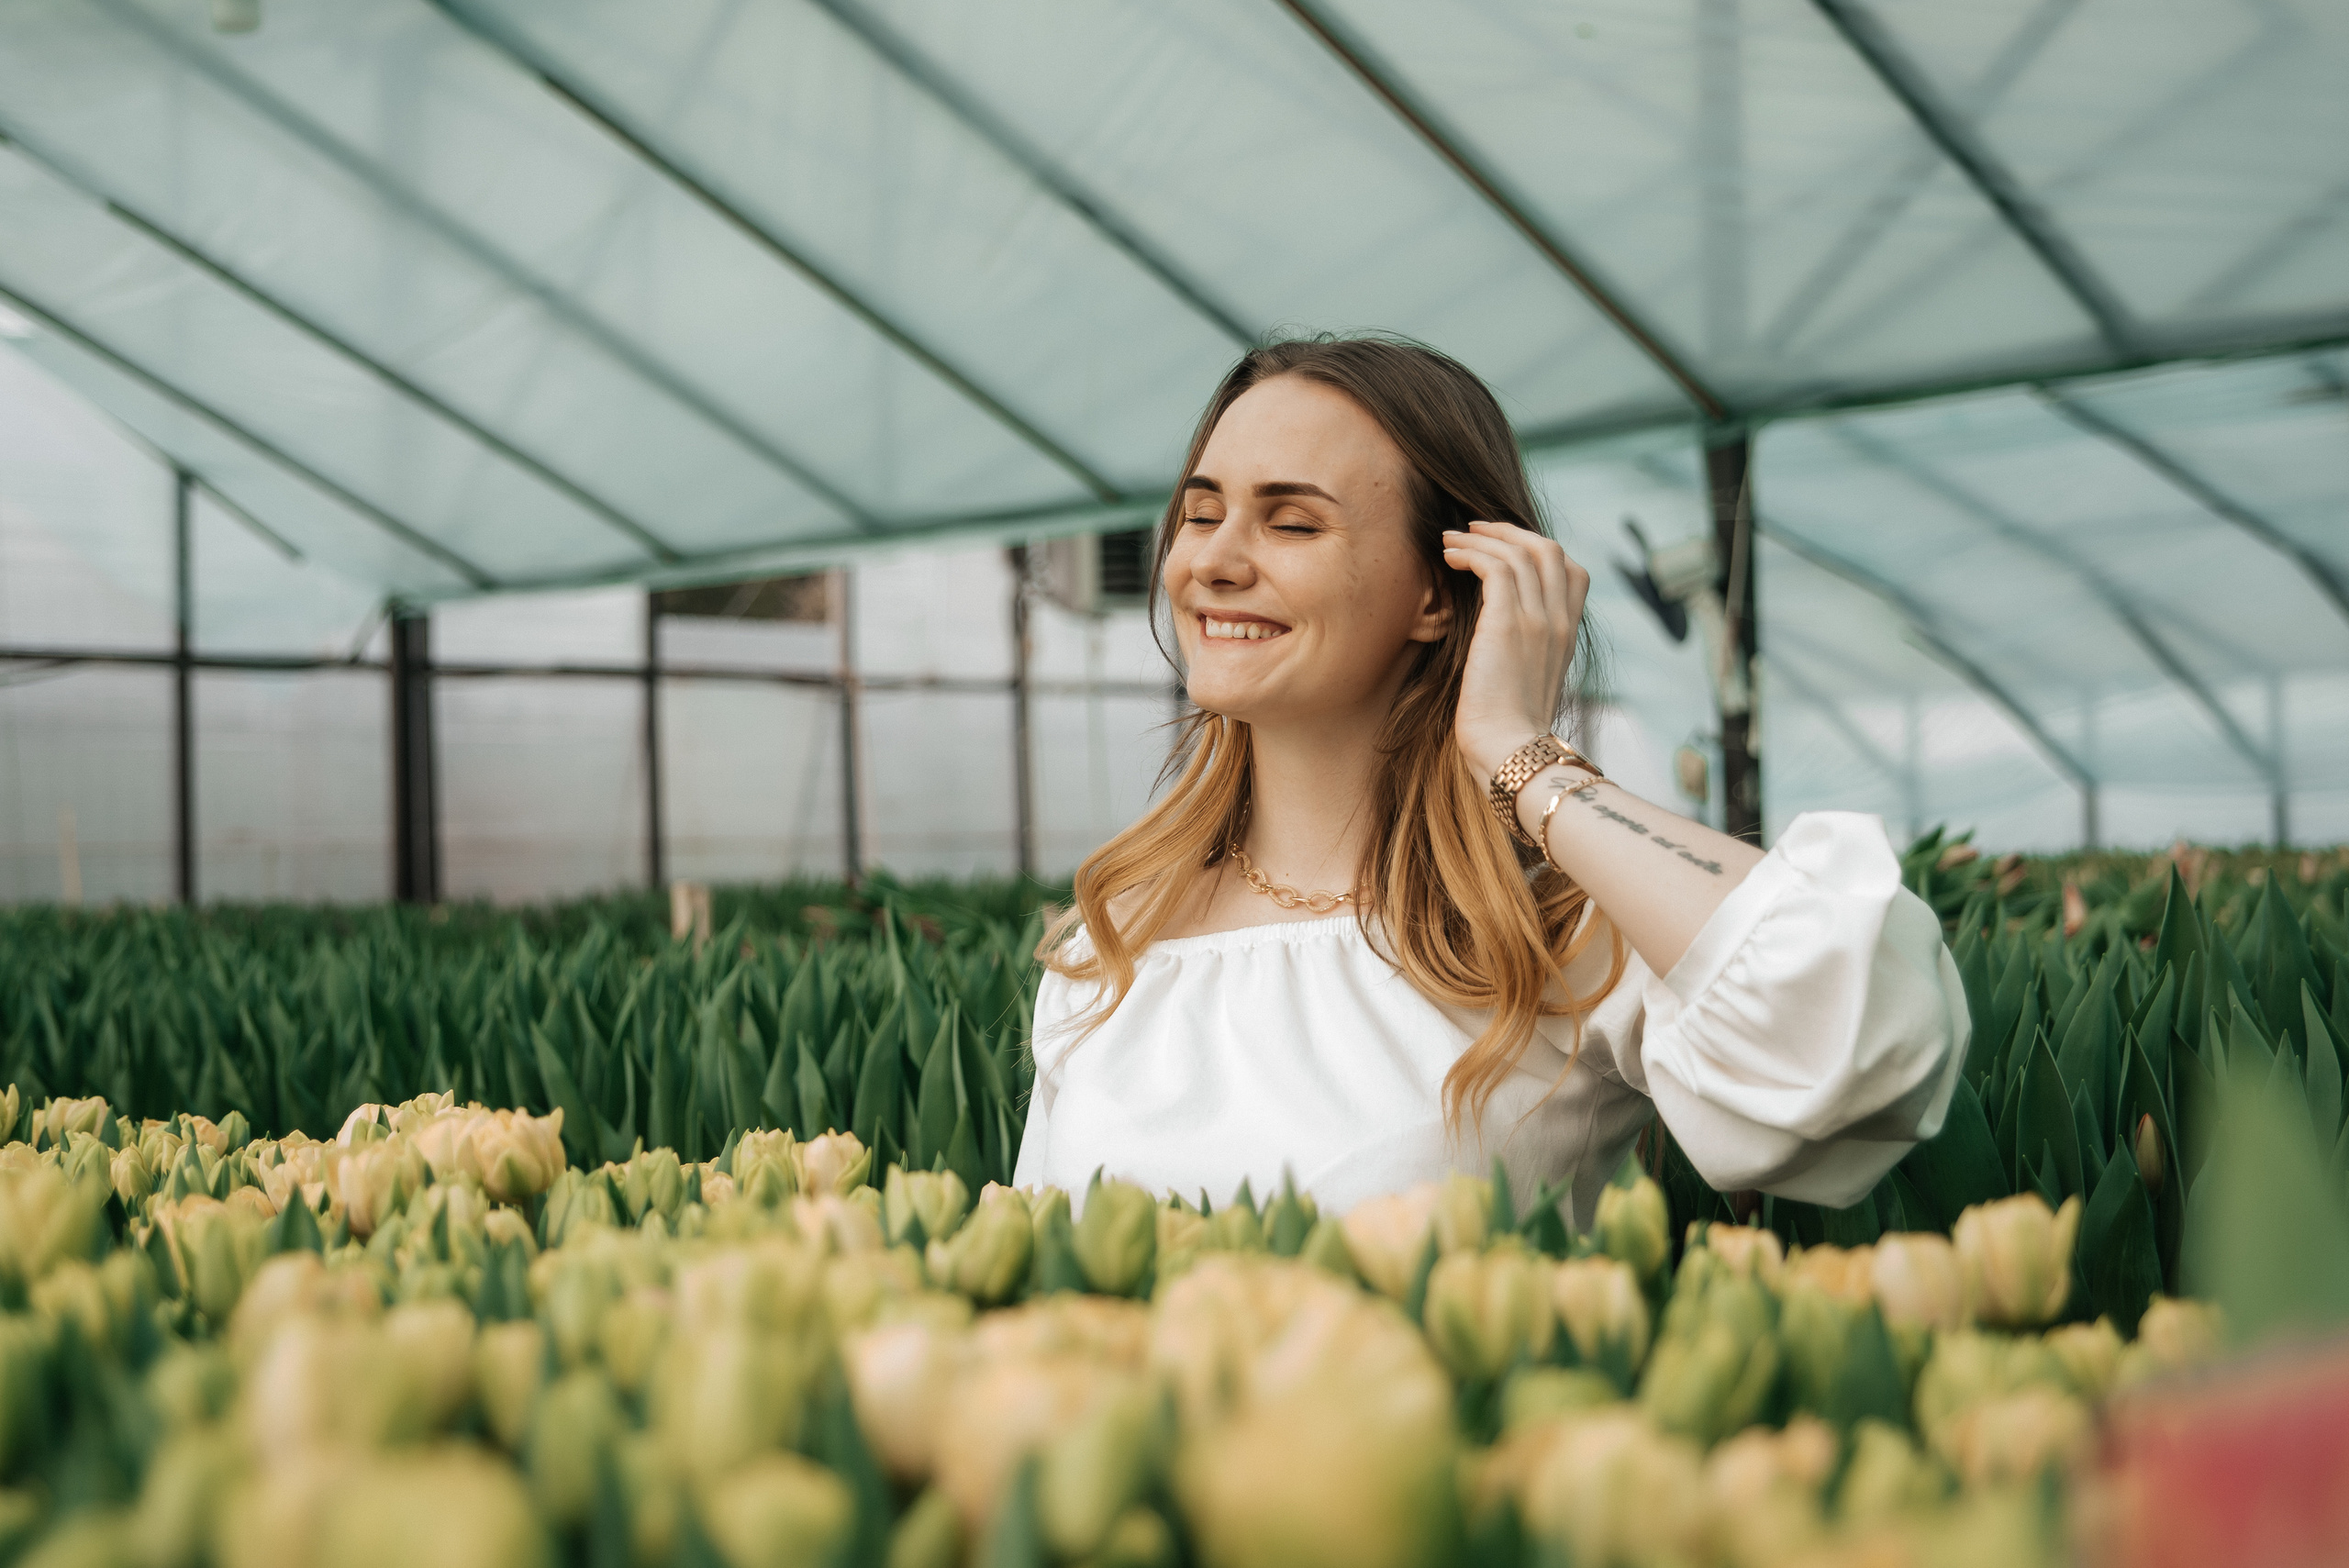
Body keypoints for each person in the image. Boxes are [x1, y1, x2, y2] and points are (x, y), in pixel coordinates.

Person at [1011, 336, 1965, 1229]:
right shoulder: (1113, 945)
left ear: (1439, 592)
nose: (1213, 562)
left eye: (1291, 522)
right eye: (1200, 513)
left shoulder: (1554, 938)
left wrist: (1518, 751)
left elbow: (1854, 1042)